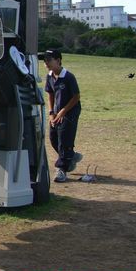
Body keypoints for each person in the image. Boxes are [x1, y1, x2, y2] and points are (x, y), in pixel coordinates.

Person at [43, 49, 83, 183]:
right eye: (45, 61)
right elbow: (50, 94)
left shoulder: (68, 77)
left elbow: (76, 96)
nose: (46, 63)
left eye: (49, 60)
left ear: (58, 60)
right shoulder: (49, 76)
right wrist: (51, 113)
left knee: (64, 140)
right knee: (53, 138)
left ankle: (62, 169)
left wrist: (63, 111)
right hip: (56, 111)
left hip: (70, 111)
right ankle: (71, 156)